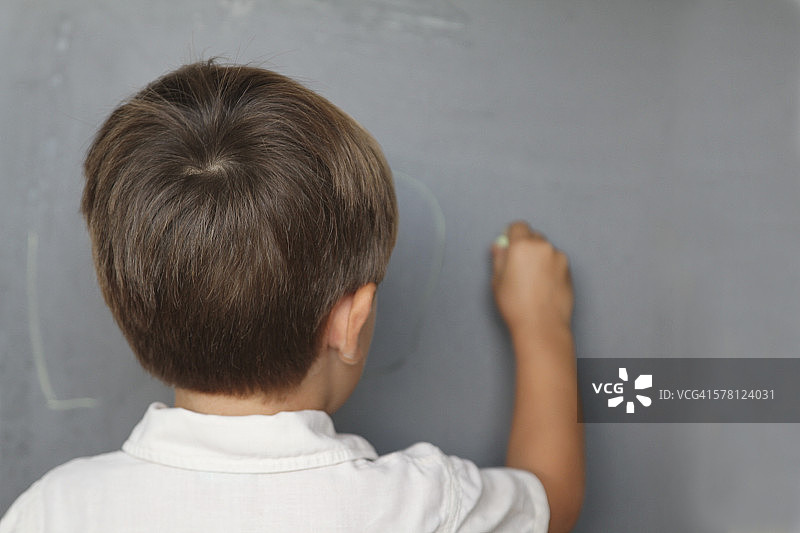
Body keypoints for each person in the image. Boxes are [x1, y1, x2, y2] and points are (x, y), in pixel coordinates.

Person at [0, 60, 583, 533]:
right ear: (350, 324)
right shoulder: (425, 506)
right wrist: (541, 325)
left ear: (125, 298)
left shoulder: (51, 512)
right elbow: (552, 497)